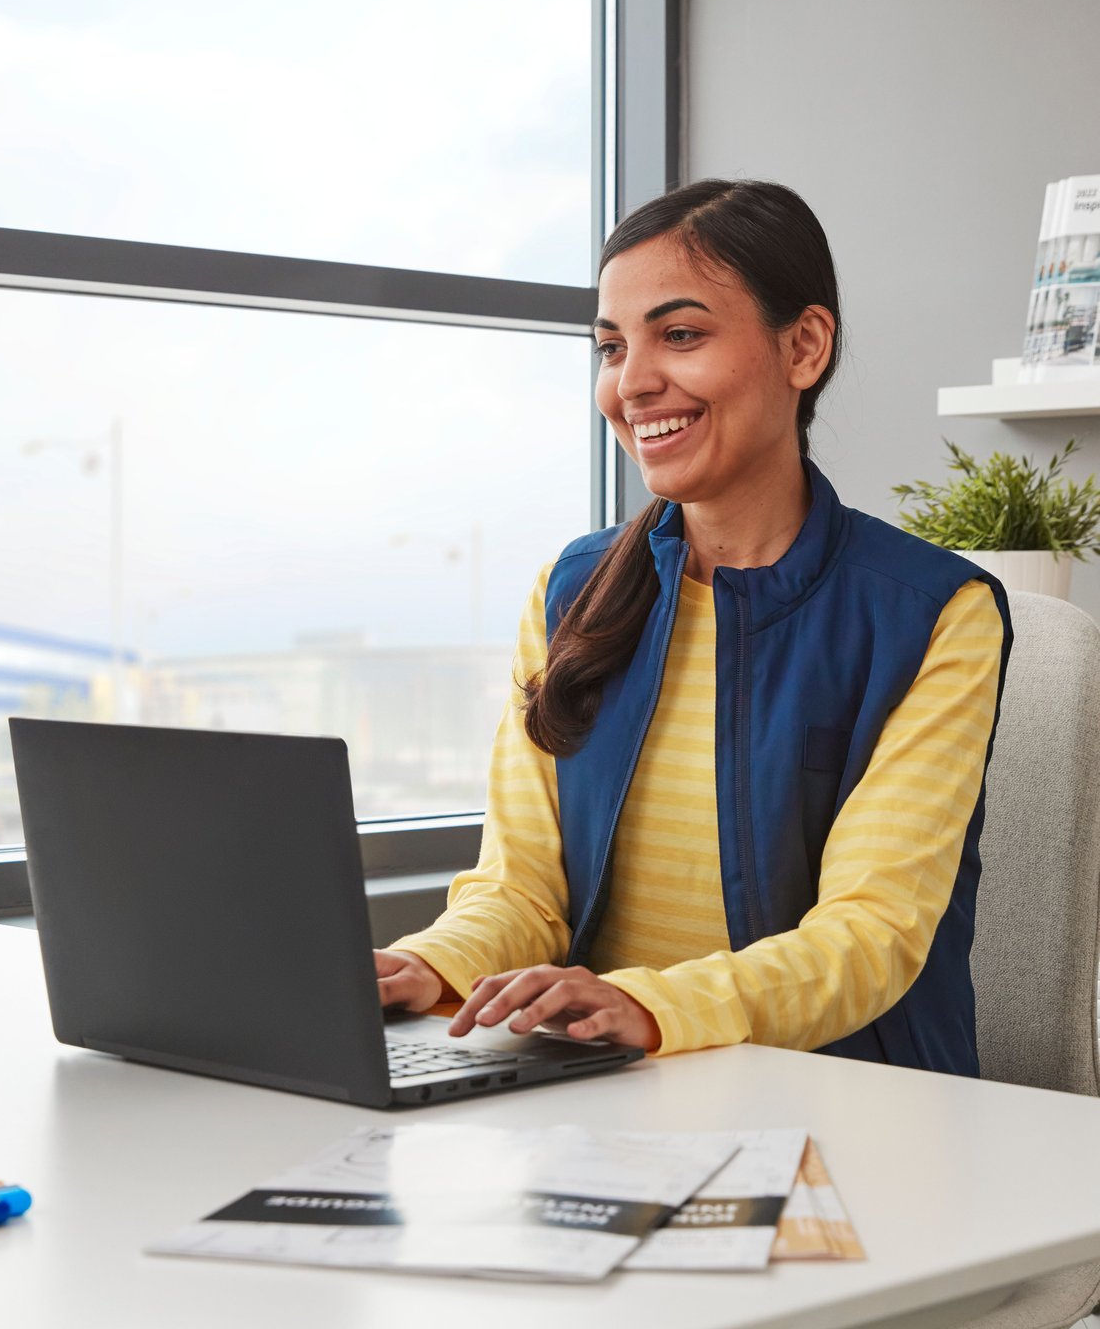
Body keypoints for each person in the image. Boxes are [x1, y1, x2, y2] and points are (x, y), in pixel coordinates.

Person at [373, 178, 1011, 1075]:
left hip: (850, 1100)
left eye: (680, 335)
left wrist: (646, 1002)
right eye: (610, 346)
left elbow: (873, 934)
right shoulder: (573, 593)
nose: (632, 383)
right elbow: (521, 887)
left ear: (804, 346)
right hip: (608, 1089)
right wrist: (423, 963)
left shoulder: (931, 613)